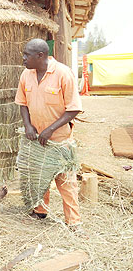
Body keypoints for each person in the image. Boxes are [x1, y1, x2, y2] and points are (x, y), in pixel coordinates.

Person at [15, 38, 83, 231]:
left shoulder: (63, 73)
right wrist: (28, 126)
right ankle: (40, 212)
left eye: (27, 55)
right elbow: (22, 103)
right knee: (38, 178)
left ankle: (74, 222)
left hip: (59, 141)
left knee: (66, 182)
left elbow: (74, 109)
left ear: (40, 56)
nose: (23, 58)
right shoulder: (26, 75)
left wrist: (51, 129)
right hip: (36, 140)